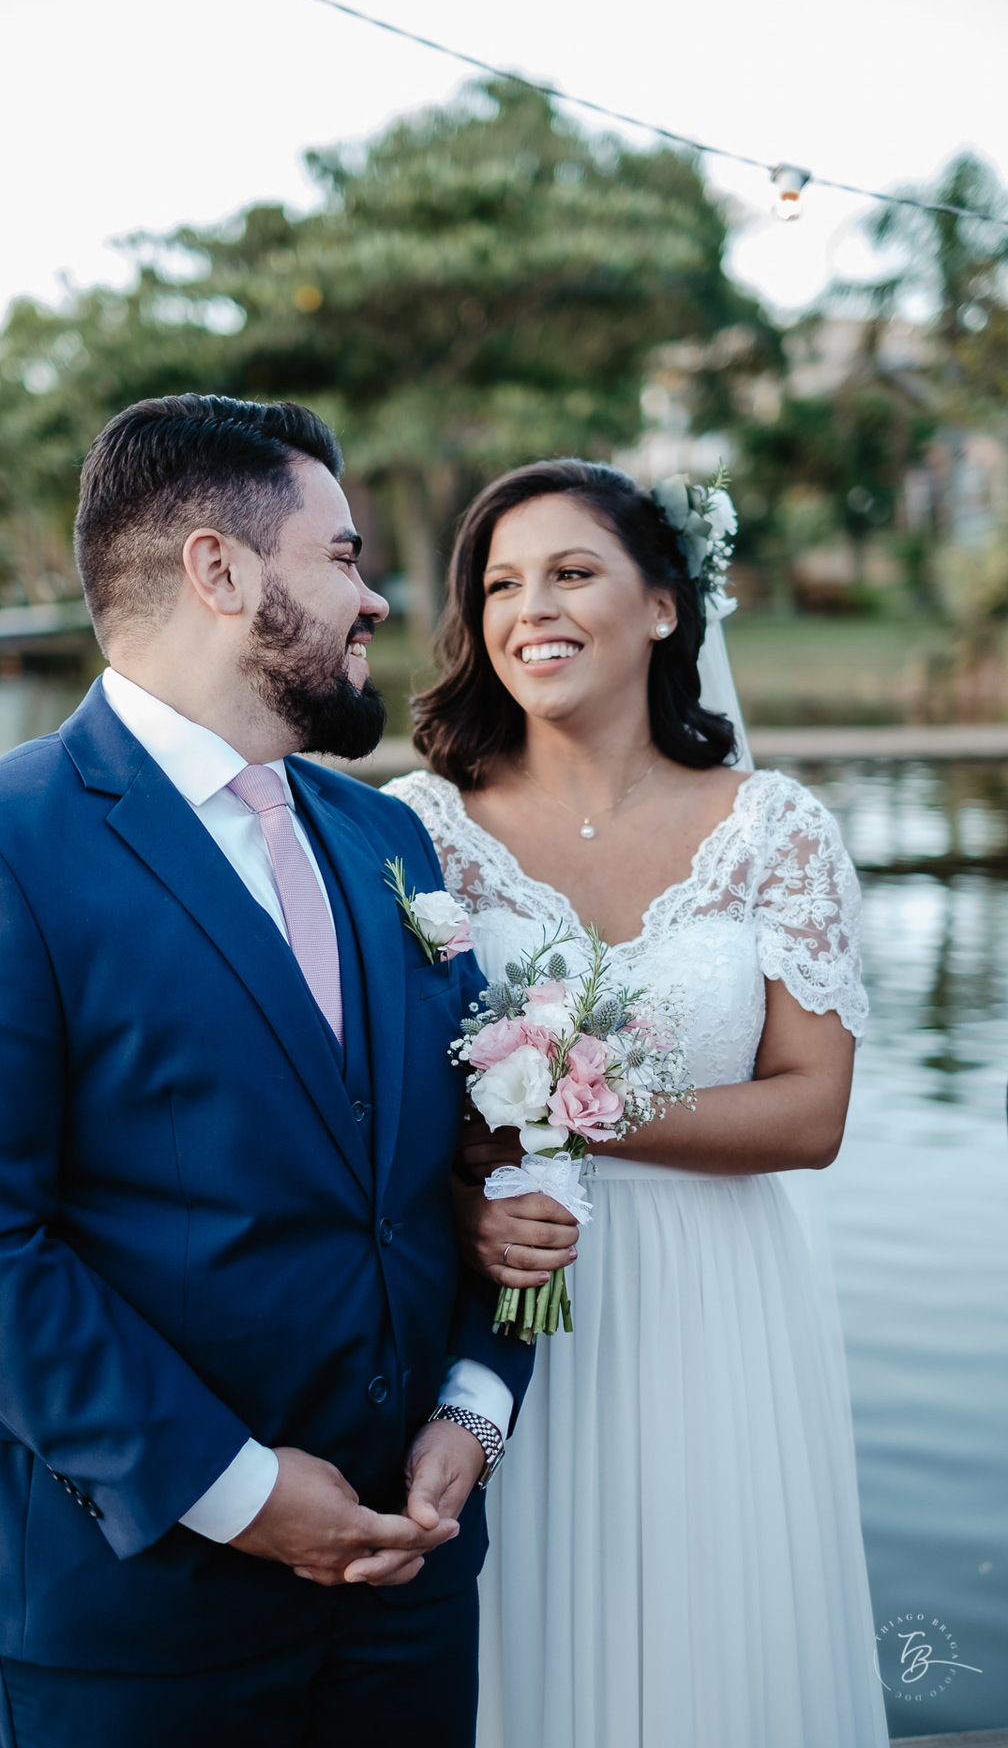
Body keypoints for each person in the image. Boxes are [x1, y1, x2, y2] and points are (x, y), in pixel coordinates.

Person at [0, 394, 534, 1748]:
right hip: (130, 1597)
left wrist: (475, 1404)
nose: (376, 597)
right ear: (219, 571)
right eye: (340, 557)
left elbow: (472, 1159)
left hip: (410, 1568)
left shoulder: (387, 844)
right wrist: (236, 1490)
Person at [386, 458, 890, 1748]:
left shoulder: (771, 828)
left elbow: (809, 1116)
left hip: (721, 1305)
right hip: (499, 1303)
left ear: (663, 606)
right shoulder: (416, 834)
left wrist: (560, 1101)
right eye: (499, 583)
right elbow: (380, 1097)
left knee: (715, 1656)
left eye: (570, 573)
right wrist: (461, 1198)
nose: (529, 608)